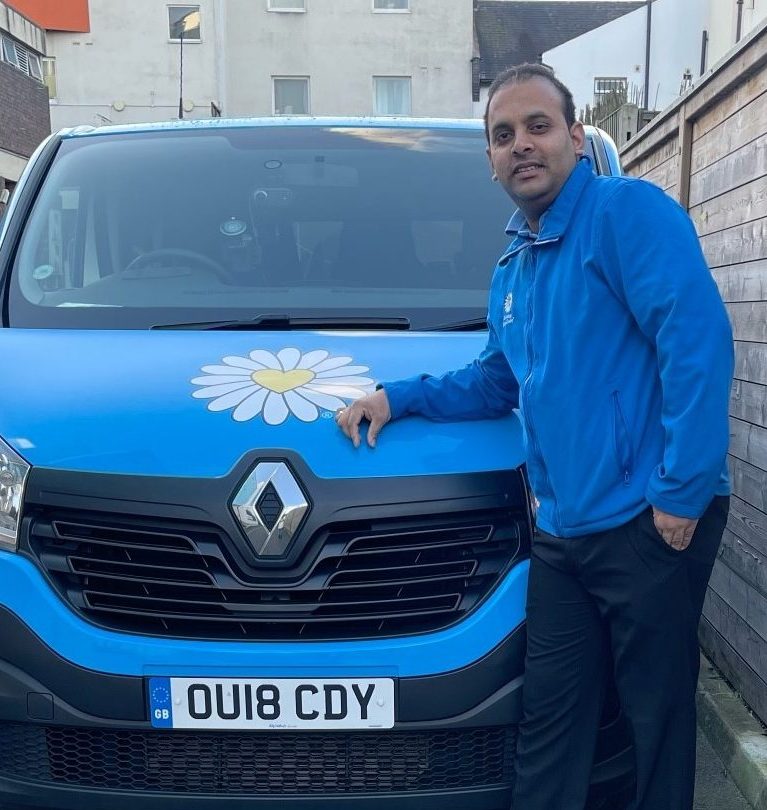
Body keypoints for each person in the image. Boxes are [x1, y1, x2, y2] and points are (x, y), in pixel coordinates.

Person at [335, 63, 733, 810]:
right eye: (502, 135)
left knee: (655, 725)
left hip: (648, 524)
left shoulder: (623, 213)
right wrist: (397, 397)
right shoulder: (514, 264)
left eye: (538, 127)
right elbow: (496, 380)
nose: (521, 145)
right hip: (562, 534)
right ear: (488, 158)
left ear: (575, 138)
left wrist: (677, 498)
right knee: (550, 723)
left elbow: (697, 340)